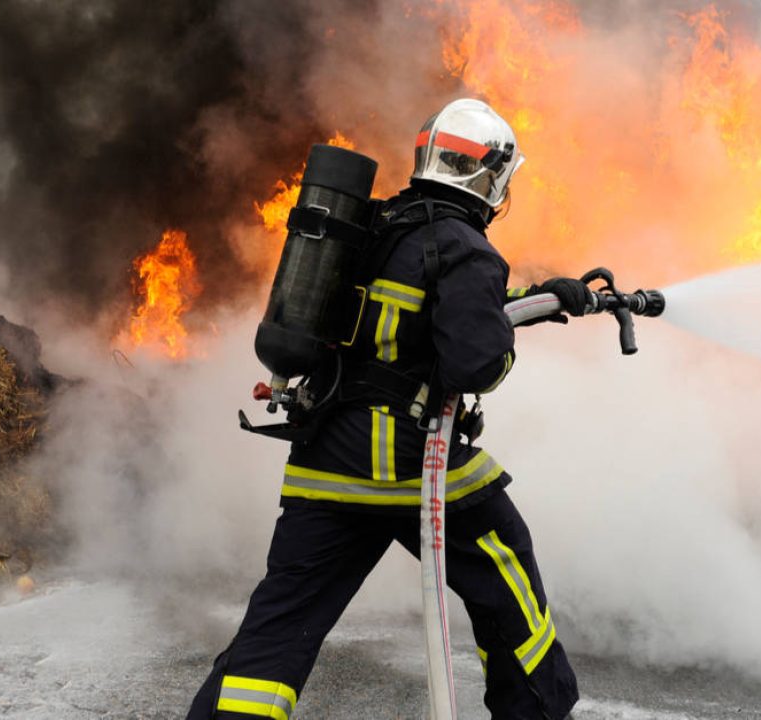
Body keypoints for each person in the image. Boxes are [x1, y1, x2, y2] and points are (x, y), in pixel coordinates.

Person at [188, 98, 589, 719]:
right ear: (488, 177)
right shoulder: (467, 248)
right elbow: (476, 363)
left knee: (280, 623)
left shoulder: (373, 226)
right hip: (409, 467)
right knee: (507, 575)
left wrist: (540, 297)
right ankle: (532, 711)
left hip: (325, 465)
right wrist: (503, 342)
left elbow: (419, 311)